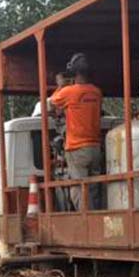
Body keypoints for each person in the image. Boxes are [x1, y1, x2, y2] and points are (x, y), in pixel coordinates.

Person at [48, 53, 103, 210]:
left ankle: (87, 224)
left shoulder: (69, 92)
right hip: (95, 148)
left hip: (77, 148)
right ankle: (96, 218)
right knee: (93, 188)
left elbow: (50, 104)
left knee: (79, 190)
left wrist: (61, 85)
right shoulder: (96, 92)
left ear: (73, 72)